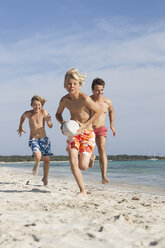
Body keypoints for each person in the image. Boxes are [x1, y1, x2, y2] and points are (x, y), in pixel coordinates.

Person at [55, 68, 101, 196]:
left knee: (83, 166)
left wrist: (85, 125)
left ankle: (91, 156)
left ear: (80, 84)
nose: (72, 86)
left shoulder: (85, 98)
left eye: (74, 83)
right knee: (73, 160)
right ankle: (82, 190)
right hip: (73, 133)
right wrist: (62, 122)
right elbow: (58, 114)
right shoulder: (64, 100)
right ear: (65, 85)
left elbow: (98, 111)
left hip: (87, 132)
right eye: (69, 83)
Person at [17, 95, 53, 186]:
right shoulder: (28, 114)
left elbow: (50, 126)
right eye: (35, 105)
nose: (37, 107)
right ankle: (36, 165)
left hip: (44, 139)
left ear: (41, 105)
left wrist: (48, 121)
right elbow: (22, 117)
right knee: (38, 155)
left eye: (39, 105)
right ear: (31, 105)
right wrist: (20, 127)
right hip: (33, 139)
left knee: (47, 160)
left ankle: (45, 177)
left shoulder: (44, 112)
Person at [89, 78, 116, 184]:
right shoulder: (88, 100)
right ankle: (91, 157)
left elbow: (112, 111)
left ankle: (104, 176)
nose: (100, 92)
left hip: (101, 128)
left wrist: (112, 124)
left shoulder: (107, 102)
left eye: (101, 90)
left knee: (102, 148)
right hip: (89, 129)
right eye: (97, 90)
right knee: (87, 152)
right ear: (92, 90)